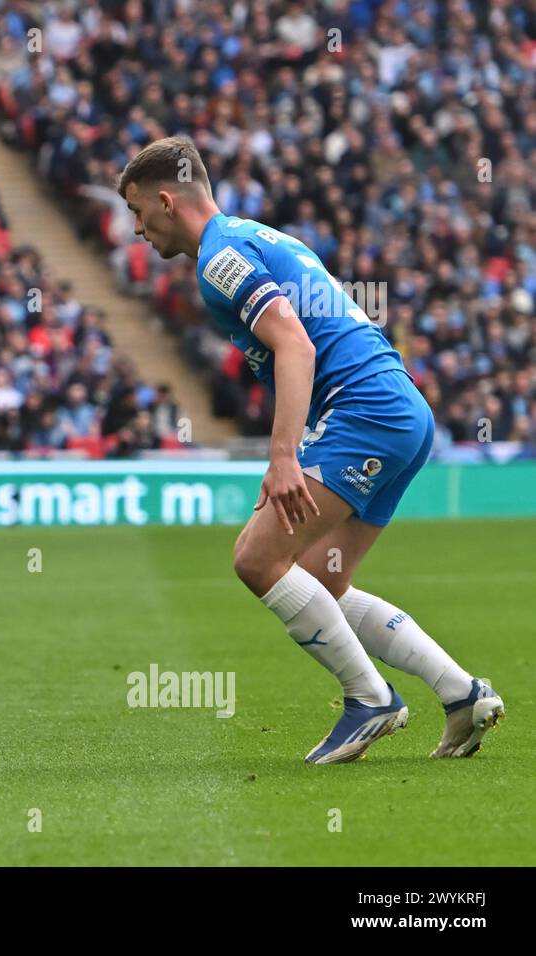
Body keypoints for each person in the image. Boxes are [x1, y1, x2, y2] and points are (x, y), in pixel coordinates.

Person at [117, 136, 503, 764]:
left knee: (255, 557)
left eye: (137, 211)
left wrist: (282, 456)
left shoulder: (218, 259)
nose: (136, 228)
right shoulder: (257, 235)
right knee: (323, 578)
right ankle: (461, 693)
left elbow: (296, 346)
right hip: (402, 410)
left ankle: (370, 699)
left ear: (167, 199)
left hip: (363, 411)